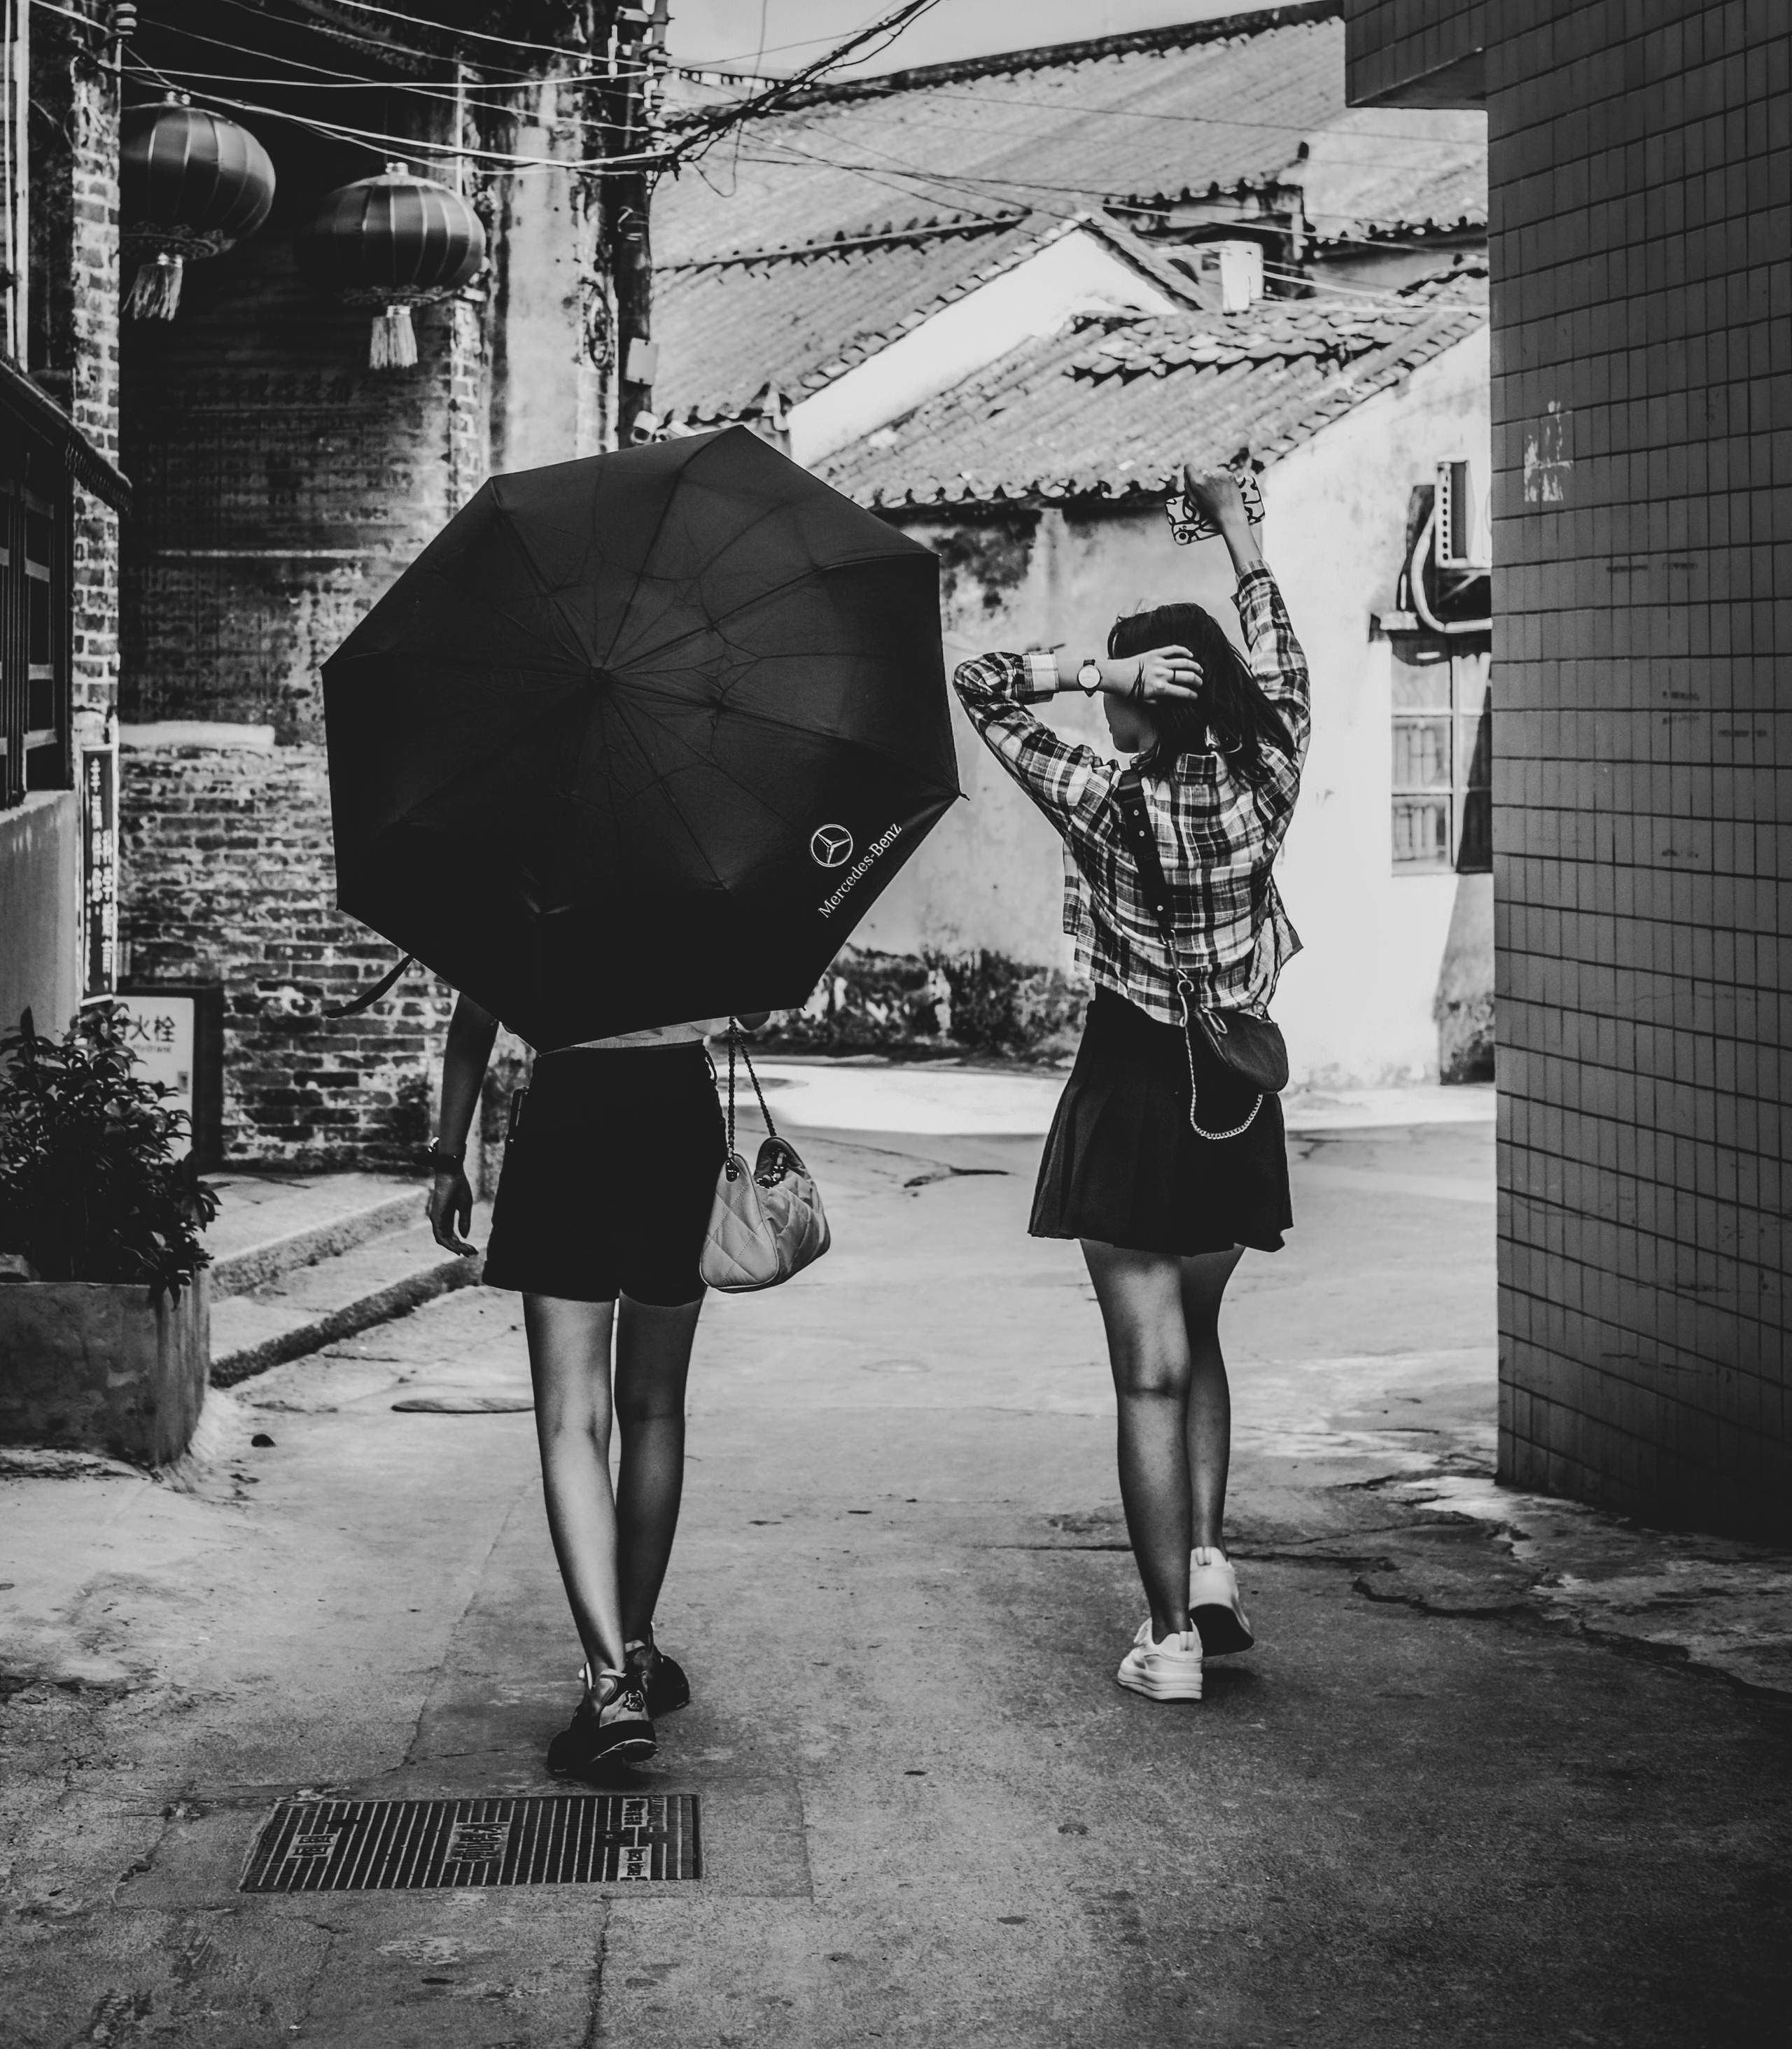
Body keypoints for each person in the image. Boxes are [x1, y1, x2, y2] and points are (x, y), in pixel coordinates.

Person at [951, 466, 1310, 1703]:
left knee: (1145, 1372)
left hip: (1131, 1086)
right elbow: (1281, 654)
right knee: (1200, 1338)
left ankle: (1169, 1640)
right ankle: (1210, 1563)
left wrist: (1094, 670)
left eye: (1127, 686)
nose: (1111, 699)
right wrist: (1238, 529)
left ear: (1148, 700)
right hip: (1233, 1094)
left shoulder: (1104, 797)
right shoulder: (1271, 778)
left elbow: (981, 684)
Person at [426, 1006, 761, 1775]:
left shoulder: (533, 917)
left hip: (569, 1113)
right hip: (679, 1115)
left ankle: (611, 1687)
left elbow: (474, 1020)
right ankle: (634, 1648)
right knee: (655, 1407)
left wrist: (448, 1158)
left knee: (572, 1420)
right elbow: (751, 1011)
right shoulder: (706, 916)